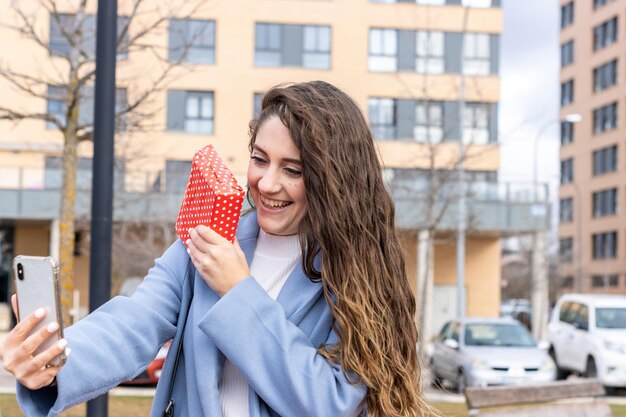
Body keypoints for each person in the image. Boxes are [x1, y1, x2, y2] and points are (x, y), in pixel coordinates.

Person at [1, 80, 431, 417]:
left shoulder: (354, 276)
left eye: (293, 169)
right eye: (260, 159)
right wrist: (57, 364)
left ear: (333, 179)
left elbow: (329, 401)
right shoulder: (210, 239)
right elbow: (133, 323)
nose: (267, 183)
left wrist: (240, 292)